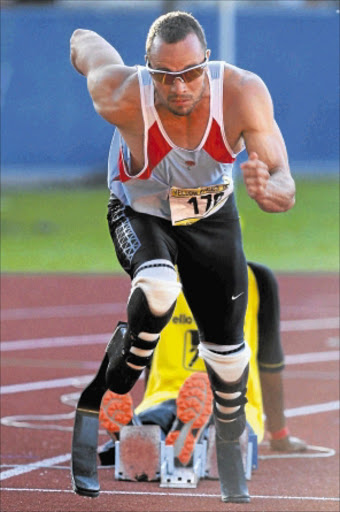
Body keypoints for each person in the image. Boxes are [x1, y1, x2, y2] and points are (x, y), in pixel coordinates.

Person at [70, 11, 295, 503]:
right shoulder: (121, 91)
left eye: (191, 74)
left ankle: (232, 448)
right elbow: (83, 41)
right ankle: (118, 377)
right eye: (165, 76)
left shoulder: (240, 93)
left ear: (207, 64)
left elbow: (284, 181)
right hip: (141, 210)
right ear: (147, 69)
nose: (178, 88)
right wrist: (85, 48)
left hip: (211, 219)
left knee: (230, 359)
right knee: (158, 289)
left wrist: (270, 190)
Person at [98, 262, 306, 467]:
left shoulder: (157, 277)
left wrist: (150, 398)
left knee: (155, 422)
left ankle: (143, 434)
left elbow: (146, 351)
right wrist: (280, 435)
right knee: (223, 440)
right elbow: (270, 364)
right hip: (233, 402)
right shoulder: (255, 277)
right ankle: (198, 440)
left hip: (164, 396)